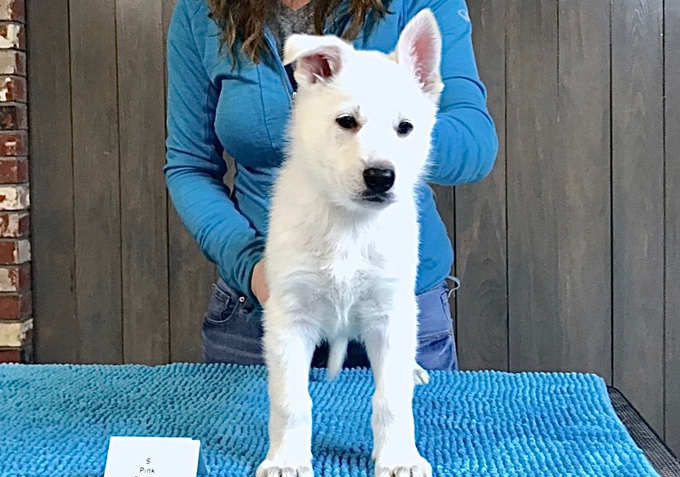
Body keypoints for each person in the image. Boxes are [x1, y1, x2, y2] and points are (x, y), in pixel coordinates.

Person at [164, 0, 498, 370]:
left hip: (392, 306)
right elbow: (189, 165)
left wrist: (391, 128)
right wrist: (250, 265)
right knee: (257, 427)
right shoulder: (204, 9)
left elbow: (476, 145)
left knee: (403, 426)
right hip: (261, 308)